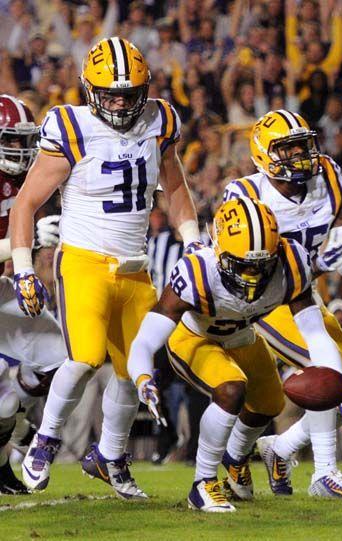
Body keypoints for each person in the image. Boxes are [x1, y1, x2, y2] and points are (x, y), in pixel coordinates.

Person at [11, 38, 201, 500]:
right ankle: (44, 442)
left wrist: (193, 241)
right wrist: (23, 268)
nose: (119, 102)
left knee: (135, 370)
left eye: (128, 93)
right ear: (89, 89)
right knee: (84, 357)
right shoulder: (71, 126)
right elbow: (26, 204)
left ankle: (111, 457)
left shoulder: (160, 120)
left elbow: (173, 188)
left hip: (136, 269)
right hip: (83, 260)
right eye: (109, 93)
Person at [126, 198, 342, 512]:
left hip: (241, 336)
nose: (252, 275)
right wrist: (143, 378)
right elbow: (144, 341)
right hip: (193, 337)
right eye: (243, 264)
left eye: (261, 264)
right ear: (220, 250)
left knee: (270, 404)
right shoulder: (198, 271)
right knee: (231, 388)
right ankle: (203, 483)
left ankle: (236, 458)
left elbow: (315, 333)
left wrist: (340, 383)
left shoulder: (291, 262)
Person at [222, 109, 342, 498]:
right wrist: (319, 265)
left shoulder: (328, 174)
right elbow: (247, 266)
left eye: (301, 146)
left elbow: (341, 246)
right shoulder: (245, 195)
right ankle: (323, 474)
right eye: (287, 149)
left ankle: (281, 448)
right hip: (259, 298)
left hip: (302, 294)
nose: (299, 156)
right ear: (264, 155)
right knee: (327, 374)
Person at [0, 94, 65, 494]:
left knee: (63, 355)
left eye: (27, 141)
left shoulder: (24, 178)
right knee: (2, 402)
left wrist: (25, 270)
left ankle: (16, 440)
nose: (22, 150)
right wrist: (23, 244)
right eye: (12, 140)